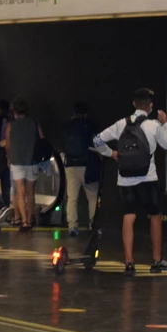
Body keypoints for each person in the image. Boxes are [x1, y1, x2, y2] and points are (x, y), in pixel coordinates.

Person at [93, 88, 167, 275]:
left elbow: (97, 140)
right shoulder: (155, 125)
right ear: (151, 105)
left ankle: (129, 263)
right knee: (155, 217)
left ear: (133, 104)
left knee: (128, 217)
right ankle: (156, 261)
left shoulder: (121, 124)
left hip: (125, 179)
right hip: (148, 178)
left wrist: (111, 153)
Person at [3, 97, 43, 231]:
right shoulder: (34, 122)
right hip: (32, 161)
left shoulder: (10, 125)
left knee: (20, 191)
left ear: (14, 111)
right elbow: (42, 139)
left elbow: (7, 144)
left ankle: (24, 221)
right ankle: (30, 220)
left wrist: (9, 157)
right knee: (31, 192)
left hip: (16, 160)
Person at [61, 102, 100, 237]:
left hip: (71, 165)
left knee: (72, 198)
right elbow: (96, 142)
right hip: (88, 165)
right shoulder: (90, 125)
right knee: (92, 196)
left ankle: (72, 226)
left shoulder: (66, 126)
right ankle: (92, 225)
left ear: (73, 112)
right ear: (86, 113)